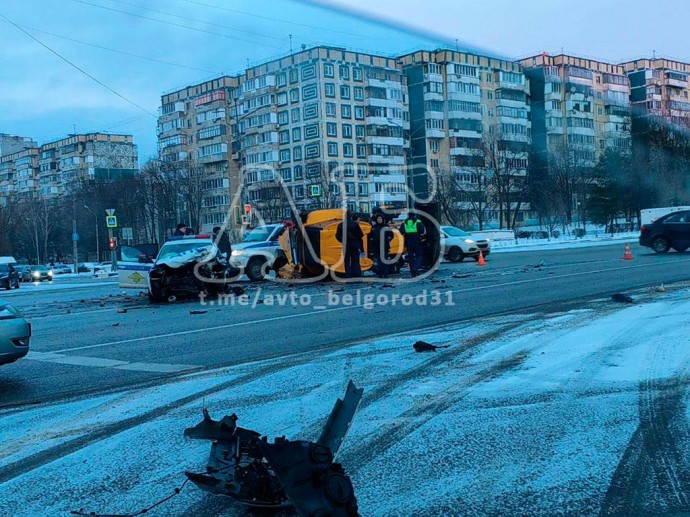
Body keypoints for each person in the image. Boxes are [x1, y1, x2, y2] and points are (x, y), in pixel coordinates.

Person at [335, 211, 364, 279]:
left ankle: (348, 274)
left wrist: (342, 240)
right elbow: (361, 234)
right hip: (354, 244)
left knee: (347, 260)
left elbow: (337, 235)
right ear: (351, 216)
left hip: (346, 244)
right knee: (355, 260)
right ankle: (356, 274)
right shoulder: (355, 224)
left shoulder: (341, 225)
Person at [400, 211, 425, 277]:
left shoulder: (404, 222)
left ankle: (413, 272)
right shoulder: (417, 221)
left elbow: (401, 231)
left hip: (408, 241)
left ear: (408, 215)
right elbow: (422, 231)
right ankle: (415, 268)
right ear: (414, 215)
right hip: (416, 241)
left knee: (411, 257)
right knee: (419, 256)